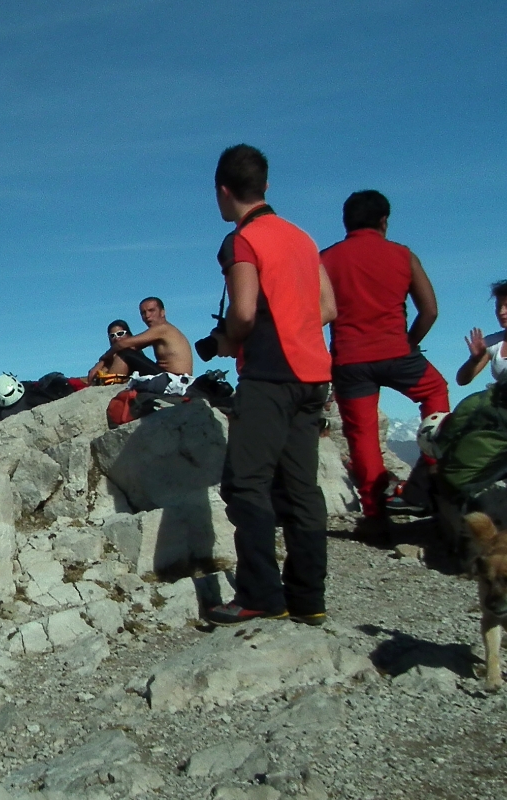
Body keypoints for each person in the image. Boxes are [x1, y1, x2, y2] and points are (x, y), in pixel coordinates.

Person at [203, 144, 337, 626]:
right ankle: (308, 598)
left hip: (268, 374)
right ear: (265, 186)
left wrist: (226, 342)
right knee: (301, 488)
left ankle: (260, 593)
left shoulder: (243, 240)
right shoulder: (302, 238)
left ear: (223, 191)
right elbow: (328, 308)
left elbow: (242, 311)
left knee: (246, 485)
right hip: (312, 375)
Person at [320, 190, 450, 526]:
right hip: (398, 353)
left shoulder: (325, 259)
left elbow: (312, 314)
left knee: (362, 438)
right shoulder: (403, 255)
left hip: (350, 362)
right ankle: (431, 473)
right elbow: (430, 311)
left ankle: (376, 517)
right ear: (384, 221)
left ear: (346, 222)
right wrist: (409, 343)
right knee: (435, 392)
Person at [109, 297, 194, 395]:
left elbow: (121, 344)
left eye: (151, 310)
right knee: (128, 353)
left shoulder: (162, 329)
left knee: (125, 353)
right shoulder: (160, 332)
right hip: (169, 377)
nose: (147, 316)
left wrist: (101, 361)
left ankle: (108, 384)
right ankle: (105, 379)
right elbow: (133, 347)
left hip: (174, 379)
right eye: (143, 313)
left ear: (162, 312)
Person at [83, 319, 161, 384]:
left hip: (157, 378)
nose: (116, 338)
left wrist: (102, 361)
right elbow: (93, 374)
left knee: (123, 353)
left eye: (120, 334)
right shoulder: (112, 357)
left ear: (129, 335)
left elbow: (121, 346)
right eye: (112, 336)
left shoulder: (129, 351)